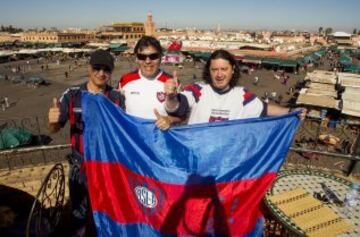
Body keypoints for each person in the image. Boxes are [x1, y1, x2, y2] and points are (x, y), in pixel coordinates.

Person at [48, 49, 125, 236]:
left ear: (111, 72)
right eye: (97, 68)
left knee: (107, 211)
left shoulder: (117, 98)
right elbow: (54, 129)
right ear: (89, 68)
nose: (101, 73)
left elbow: (122, 133)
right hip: (79, 164)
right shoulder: (73, 95)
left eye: (106, 69)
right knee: (79, 214)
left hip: (106, 165)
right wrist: (52, 121)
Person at [164, 49, 306, 125]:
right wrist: (171, 97)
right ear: (209, 71)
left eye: (224, 69)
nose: (219, 74)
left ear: (232, 70)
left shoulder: (243, 96)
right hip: (197, 160)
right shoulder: (197, 90)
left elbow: (265, 109)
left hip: (227, 165)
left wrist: (291, 110)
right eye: (214, 70)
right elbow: (178, 106)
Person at [118, 36, 181, 130]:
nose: (147, 61)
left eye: (153, 56)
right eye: (142, 57)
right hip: (133, 141)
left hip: (160, 141)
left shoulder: (172, 82)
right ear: (136, 58)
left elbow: (182, 116)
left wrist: (169, 120)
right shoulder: (125, 80)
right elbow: (117, 111)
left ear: (161, 57)